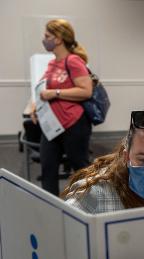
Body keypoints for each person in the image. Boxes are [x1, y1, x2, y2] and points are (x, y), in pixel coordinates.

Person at [31, 19, 93, 196]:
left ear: (58, 39)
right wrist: (34, 106)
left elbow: (86, 91)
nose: (44, 39)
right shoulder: (52, 64)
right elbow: (41, 88)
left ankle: (90, 206)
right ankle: (51, 209)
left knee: (81, 169)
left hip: (74, 124)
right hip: (51, 126)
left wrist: (55, 93)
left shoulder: (74, 61)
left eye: (47, 36)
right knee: (47, 169)